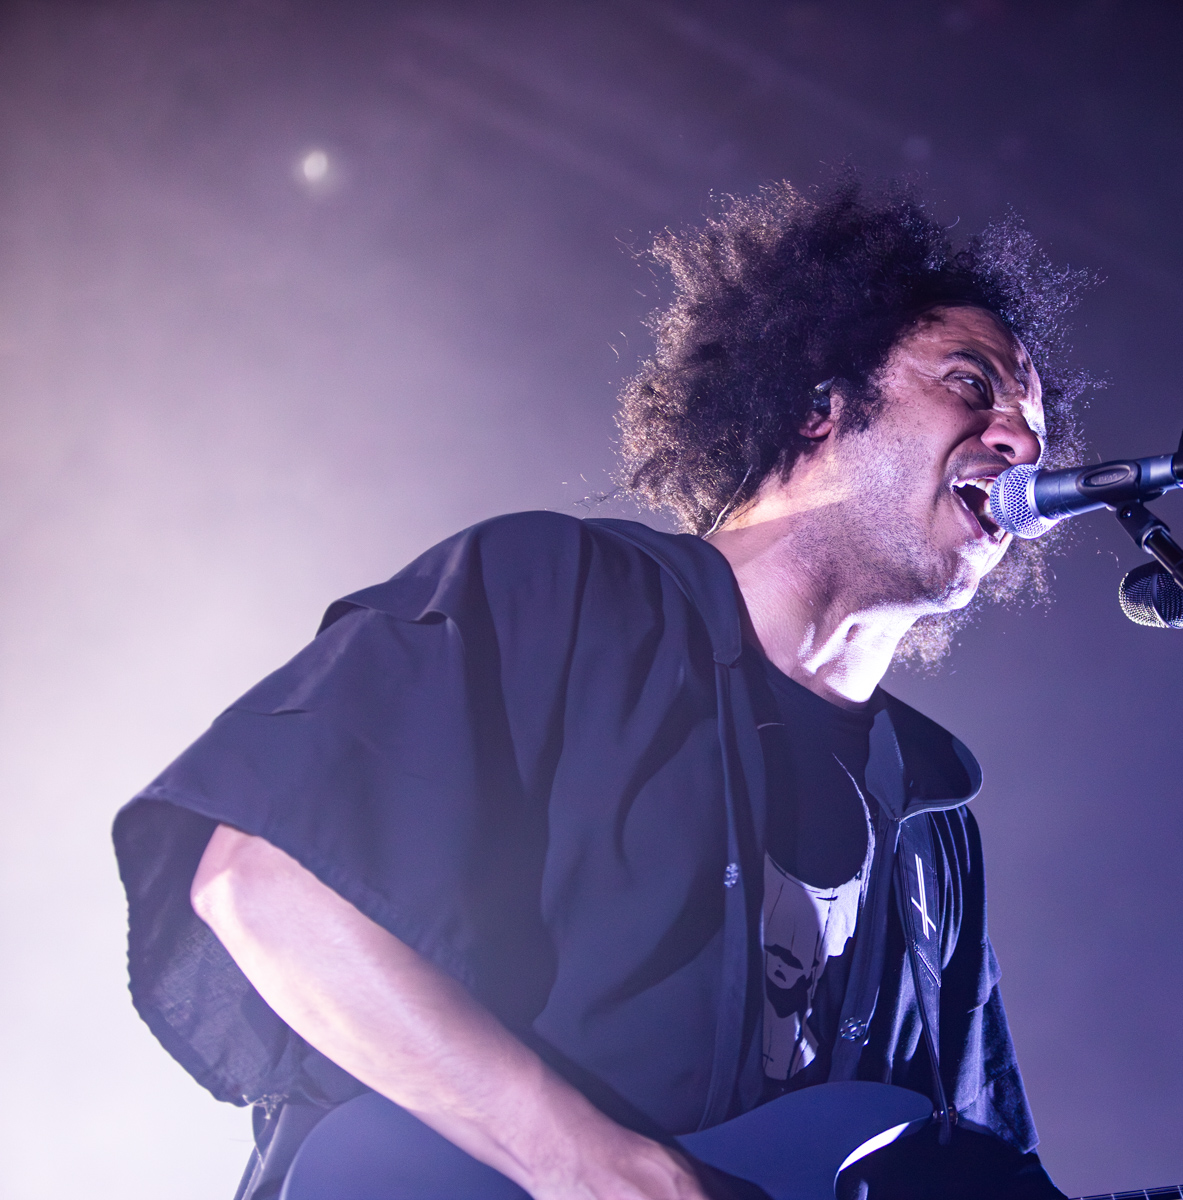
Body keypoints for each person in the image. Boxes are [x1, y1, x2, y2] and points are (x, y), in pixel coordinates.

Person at [114, 178, 1091, 1200]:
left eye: (1034, 424)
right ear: (821, 403)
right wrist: (587, 1163)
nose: (1024, 444)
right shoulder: (560, 592)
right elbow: (263, 887)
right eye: (972, 385)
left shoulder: (933, 826)